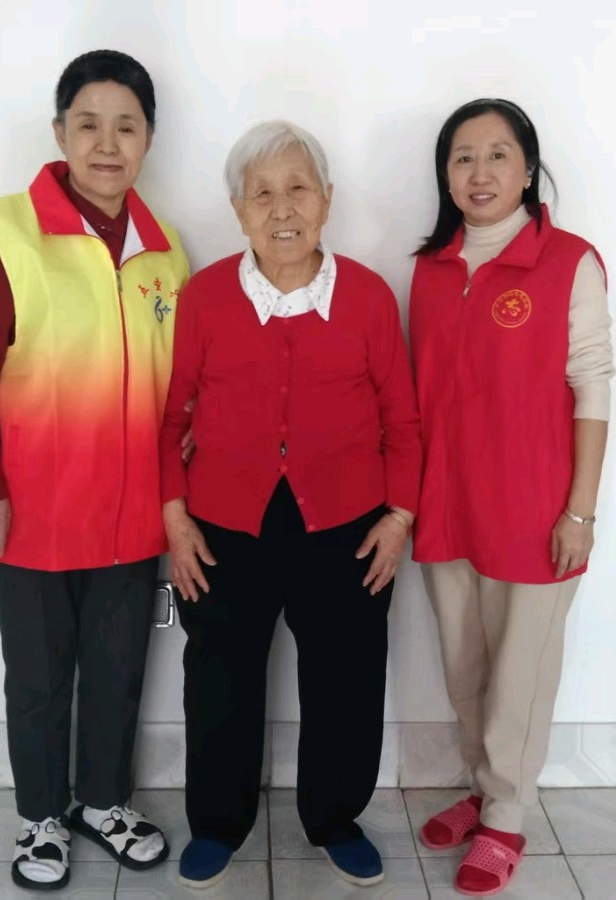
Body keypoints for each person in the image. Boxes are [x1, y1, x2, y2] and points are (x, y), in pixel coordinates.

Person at [0, 49, 187, 891]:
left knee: (117, 674)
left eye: (126, 127)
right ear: (59, 132)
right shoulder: (9, 233)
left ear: (148, 139)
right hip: (30, 513)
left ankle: (103, 803)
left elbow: (178, 391)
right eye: (88, 125)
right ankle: (41, 817)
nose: (107, 145)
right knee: (39, 679)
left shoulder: (164, 253)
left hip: (130, 517)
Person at [158, 120, 421, 890]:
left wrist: (399, 517)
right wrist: (173, 515)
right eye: (261, 193)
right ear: (238, 211)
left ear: (326, 200)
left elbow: (403, 422)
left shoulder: (367, 297)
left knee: (346, 678)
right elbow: (170, 420)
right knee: (219, 681)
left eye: (298, 188)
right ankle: (217, 823)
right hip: (222, 526)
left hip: (347, 526)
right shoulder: (205, 298)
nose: (282, 208)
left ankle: (335, 819)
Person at [408, 98, 614, 897]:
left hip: (533, 511)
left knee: (519, 676)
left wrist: (580, 513)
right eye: (462, 157)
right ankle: (482, 785)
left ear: (527, 169)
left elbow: (591, 384)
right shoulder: (430, 271)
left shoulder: (568, 262)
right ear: (445, 176)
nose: (480, 171)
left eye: (498, 154)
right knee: (465, 665)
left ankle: (505, 816)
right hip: (445, 503)